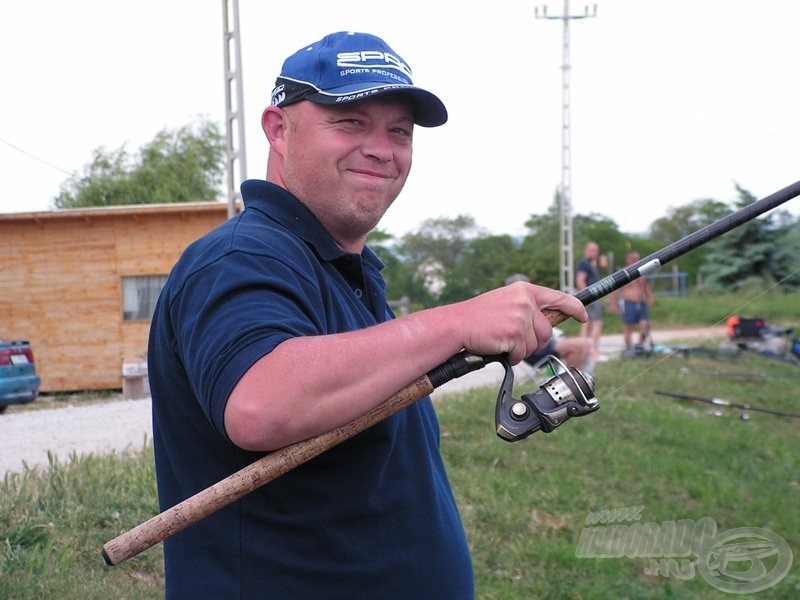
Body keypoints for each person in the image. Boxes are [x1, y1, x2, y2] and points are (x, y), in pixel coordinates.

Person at [148, 31, 587, 598]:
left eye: (399, 132)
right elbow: (259, 404)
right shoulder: (240, 258)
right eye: (351, 122)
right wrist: (456, 323)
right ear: (279, 129)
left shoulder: (346, 269)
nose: (383, 148)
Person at [505, 274, 592, 372]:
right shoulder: (512, 312)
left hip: (546, 345)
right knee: (578, 346)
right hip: (537, 351)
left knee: (585, 344)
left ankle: (582, 380)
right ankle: (570, 384)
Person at [613, 250, 655, 356]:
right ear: (628, 260)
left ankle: (639, 347)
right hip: (629, 303)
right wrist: (613, 303)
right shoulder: (624, 273)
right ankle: (629, 349)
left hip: (640, 304)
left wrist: (650, 298)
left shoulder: (642, 273)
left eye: (637, 259)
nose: (635, 261)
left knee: (645, 325)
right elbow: (615, 289)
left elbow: (646, 288)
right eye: (633, 259)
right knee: (628, 327)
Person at [575, 241, 604, 361]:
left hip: (591, 297)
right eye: (592, 250)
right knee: (597, 323)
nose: (595, 253)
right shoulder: (584, 264)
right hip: (590, 297)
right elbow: (580, 280)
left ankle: (584, 351)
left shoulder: (591, 264)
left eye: (596, 250)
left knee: (587, 325)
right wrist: (588, 297)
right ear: (586, 250)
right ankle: (595, 352)